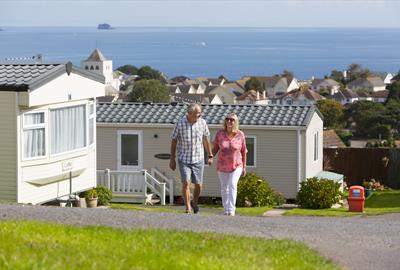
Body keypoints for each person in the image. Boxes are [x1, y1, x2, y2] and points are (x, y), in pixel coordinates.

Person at [170, 103, 213, 214]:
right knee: (186, 183)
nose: (200, 115)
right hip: (184, 158)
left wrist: (210, 155)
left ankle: (195, 202)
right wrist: (172, 158)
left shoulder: (202, 123)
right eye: (197, 113)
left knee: (198, 185)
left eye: (200, 113)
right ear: (189, 113)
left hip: (198, 158)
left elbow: (205, 139)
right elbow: (174, 140)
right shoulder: (180, 123)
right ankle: (188, 207)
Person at [212, 112, 247, 216]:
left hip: (237, 165)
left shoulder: (240, 135)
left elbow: (244, 151)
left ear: (236, 122)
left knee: (232, 184)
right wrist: (209, 156)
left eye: (232, 120)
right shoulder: (220, 134)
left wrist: (244, 167)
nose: (229, 121)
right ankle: (226, 209)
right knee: (224, 188)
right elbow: (215, 149)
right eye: (227, 119)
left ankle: (231, 210)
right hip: (222, 165)